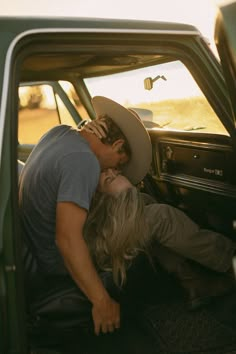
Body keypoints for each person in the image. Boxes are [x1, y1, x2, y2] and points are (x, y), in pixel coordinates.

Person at [19, 96, 152, 336]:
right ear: (117, 143)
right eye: (120, 163)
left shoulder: (58, 133)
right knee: (142, 247)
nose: (114, 170)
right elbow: (67, 240)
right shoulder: (84, 161)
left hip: (34, 247)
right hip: (55, 263)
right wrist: (101, 301)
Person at [92, 170, 236, 309]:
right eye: (109, 178)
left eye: (116, 172)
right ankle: (230, 261)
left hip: (112, 225)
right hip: (103, 244)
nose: (115, 172)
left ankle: (193, 283)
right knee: (161, 216)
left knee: (147, 206)